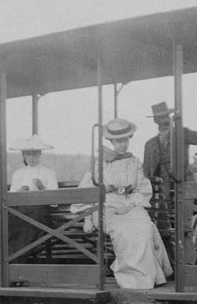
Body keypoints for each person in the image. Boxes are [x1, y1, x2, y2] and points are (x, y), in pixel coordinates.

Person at [73, 118, 172, 289]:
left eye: (125, 140)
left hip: (129, 204)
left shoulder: (134, 162)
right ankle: (131, 280)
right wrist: (88, 218)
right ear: (111, 141)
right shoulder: (100, 162)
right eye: (118, 141)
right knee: (124, 232)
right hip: (106, 206)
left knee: (145, 228)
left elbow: (142, 189)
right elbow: (88, 191)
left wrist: (130, 203)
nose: (123, 144)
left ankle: (147, 278)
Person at [142, 101, 197, 263]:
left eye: (166, 116)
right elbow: (146, 174)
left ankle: (189, 268)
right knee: (161, 231)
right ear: (155, 120)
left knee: (184, 229)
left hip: (184, 190)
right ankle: (171, 268)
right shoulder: (150, 144)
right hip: (161, 196)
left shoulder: (182, 134)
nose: (164, 120)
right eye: (160, 117)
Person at [8, 135, 59, 263]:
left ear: (39, 154)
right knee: (13, 224)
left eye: (34, 154)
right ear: (24, 156)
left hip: (40, 213)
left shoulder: (48, 172)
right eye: (28, 154)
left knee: (26, 226)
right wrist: (18, 193)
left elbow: (55, 202)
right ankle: (14, 263)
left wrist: (42, 188)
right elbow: (10, 199)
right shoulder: (18, 174)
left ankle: (18, 263)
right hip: (19, 212)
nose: (31, 157)